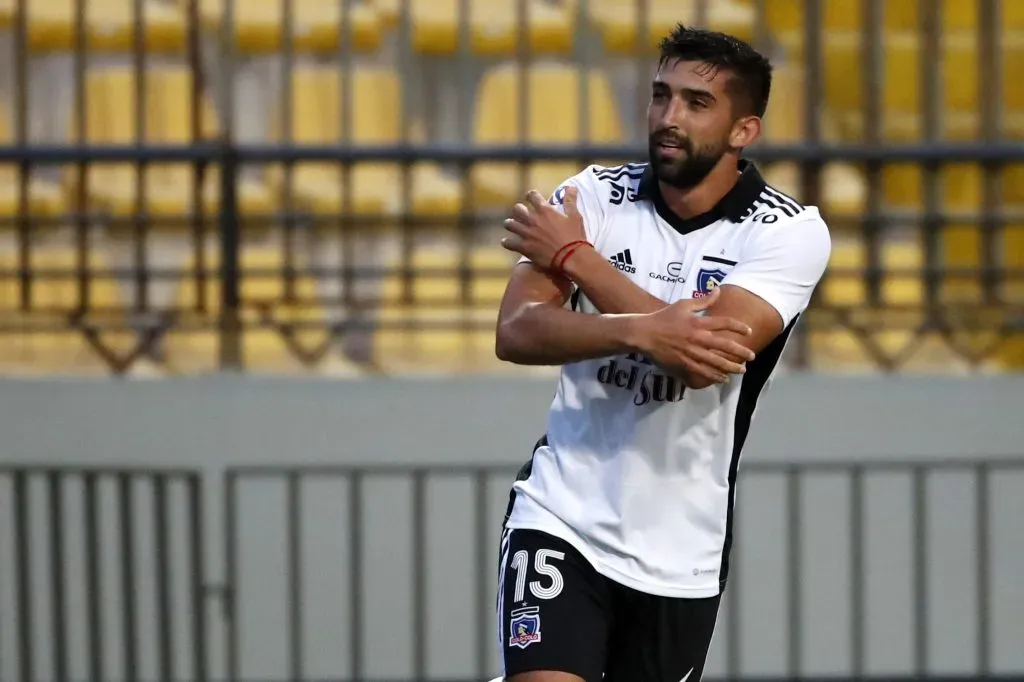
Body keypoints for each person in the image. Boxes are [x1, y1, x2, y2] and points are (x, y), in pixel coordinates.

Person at [491, 24, 832, 682]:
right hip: (563, 515)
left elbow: (702, 360)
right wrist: (643, 330)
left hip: (681, 550)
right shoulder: (589, 196)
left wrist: (575, 260)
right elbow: (519, 329)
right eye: (661, 96)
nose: (669, 118)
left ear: (744, 131)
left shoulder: (788, 232)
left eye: (696, 104)